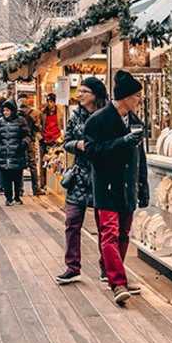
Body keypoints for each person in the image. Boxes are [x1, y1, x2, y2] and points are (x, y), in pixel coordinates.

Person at [83, 71, 150, 305]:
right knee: (109, 234)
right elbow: (91, 151)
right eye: (137, 96)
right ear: (125, 97)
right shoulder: (98, 120)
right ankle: (117, 281)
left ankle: (116, 271)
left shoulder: (136, 122)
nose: (139, 100)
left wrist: (143, 184)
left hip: (127, 186)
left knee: (123, 234)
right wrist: (120, 143)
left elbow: (139, 156)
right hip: (107, 186)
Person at [54, 77, 108, 285]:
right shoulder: (75, 116)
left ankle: (106, 267)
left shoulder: (107, 116)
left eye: (84, 90)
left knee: (104, 225)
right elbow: (66, 142)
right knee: (72, 222)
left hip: (102, 177)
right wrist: (78, 145)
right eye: (79, 90)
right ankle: (72, 266)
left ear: (95, 94)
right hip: (79, 176)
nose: (80, 94)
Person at [0, 100, 31, 205]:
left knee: (17, 177)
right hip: (4, 154)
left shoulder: (21, 120)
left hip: (17, 153)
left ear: (12, 110)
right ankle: (8, 198)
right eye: (4, 110)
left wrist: (23, 144)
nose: (5, 112)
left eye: (7, 110)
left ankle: (17, 196)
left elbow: (28, 135)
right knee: (6, 178)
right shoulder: (0, 121)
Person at [19, 98, 43, 196]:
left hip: (20, 142)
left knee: (20, 166)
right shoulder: (34, 113)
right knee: (32, 165)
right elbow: (38, 128)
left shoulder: (17, 114)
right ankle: (36, 189)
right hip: (30, 142)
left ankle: (20, 190)